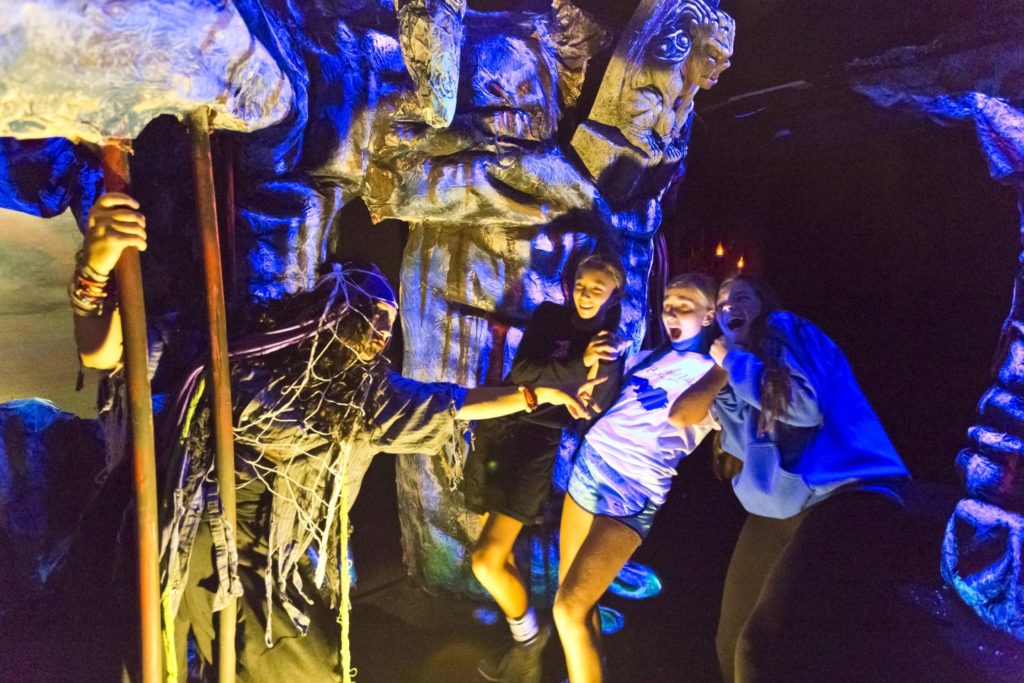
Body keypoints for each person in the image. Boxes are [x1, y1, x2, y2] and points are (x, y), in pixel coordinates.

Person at [70, 193, 604, 682]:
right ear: (329, 305)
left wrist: (540, 396)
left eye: (387, 324)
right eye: (370, 314)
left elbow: (457, 402)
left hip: (267, 572)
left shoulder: (367, 399)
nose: (377, 331)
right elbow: (109, 353)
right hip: (182, 541)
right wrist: (94, 269)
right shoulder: (242, 349)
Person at [708, 276, 911, 683]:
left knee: (762, 648)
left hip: (849, 491)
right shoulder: (739, 367)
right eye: (722, 302)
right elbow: (739, 447)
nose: (730, 305)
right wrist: (721, 384)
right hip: (787, 502)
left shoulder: (784, 328)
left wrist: (733, 362)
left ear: (763, 305)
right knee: (729, 642)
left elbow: (803, 407)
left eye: (741, 297)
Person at [552, 273, 726, 683]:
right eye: (668, 302)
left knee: (568, 607)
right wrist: (598, 359)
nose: (671, 311)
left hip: (631, 490)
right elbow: (596, 392)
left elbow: (685, 416)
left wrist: (724, 367)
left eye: (684, 304)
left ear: (709, 315)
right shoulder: (651, 355)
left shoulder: (715, 373)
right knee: (573, 595)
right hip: (589, 465)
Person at [463, 254, 627, 683]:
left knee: (486, 561)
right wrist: (574, 367)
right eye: (579, 284)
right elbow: (523, 371)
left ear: (614, 295)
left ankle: (528, 641)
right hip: (499, 426)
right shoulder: (551, 315)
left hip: (536, 445)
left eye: (597, 287)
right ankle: (525, 649)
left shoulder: (609, 344)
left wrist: (571, 377)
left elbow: (591, 403)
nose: (585, 293)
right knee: (495, 554)